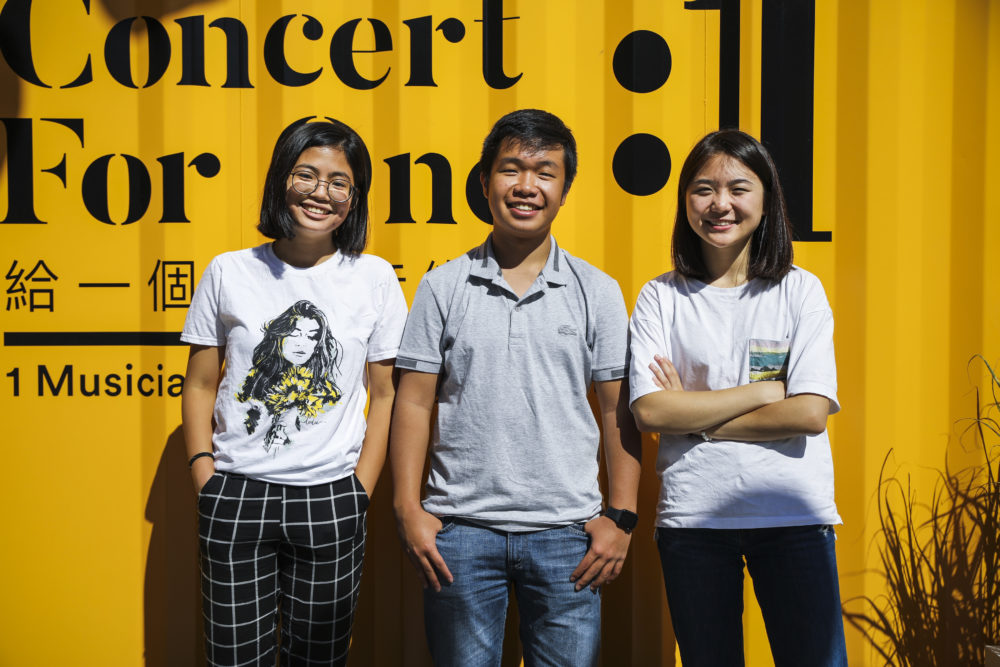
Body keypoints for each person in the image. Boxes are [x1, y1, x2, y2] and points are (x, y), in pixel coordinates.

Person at [389, 108, 642, 667]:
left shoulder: (596, 291)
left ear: (565, 188)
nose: (526, 185)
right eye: (511, 169)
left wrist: (622, 518)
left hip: (567, 536)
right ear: (485, 183)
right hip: (459, 533)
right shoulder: (442, 286)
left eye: (545, 171)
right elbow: (412, 400)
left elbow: (617, 410)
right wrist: (408, 508)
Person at [181, 118, 407, 666]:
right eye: (307, 174)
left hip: (330, 495)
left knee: (319, 660)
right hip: (236, 493)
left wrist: (360, 490)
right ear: (282, 179)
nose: (320, 193)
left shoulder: (373, 277)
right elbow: (201, 382)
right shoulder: (229, 271)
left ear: (354, 199)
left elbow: (387, 393)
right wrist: (205, 477)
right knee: (233, 659)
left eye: (339, 182)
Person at [628, 129, 847, 666]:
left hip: (792, 519)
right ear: (684, 201)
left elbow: (809, 413)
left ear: (766, 198)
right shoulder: (661, 296)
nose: (720, 204)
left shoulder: (800, 291)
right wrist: (761, 392)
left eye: (738, 188)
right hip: (694, 521)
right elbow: (652, 410)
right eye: (703, 189)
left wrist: (696, 417)